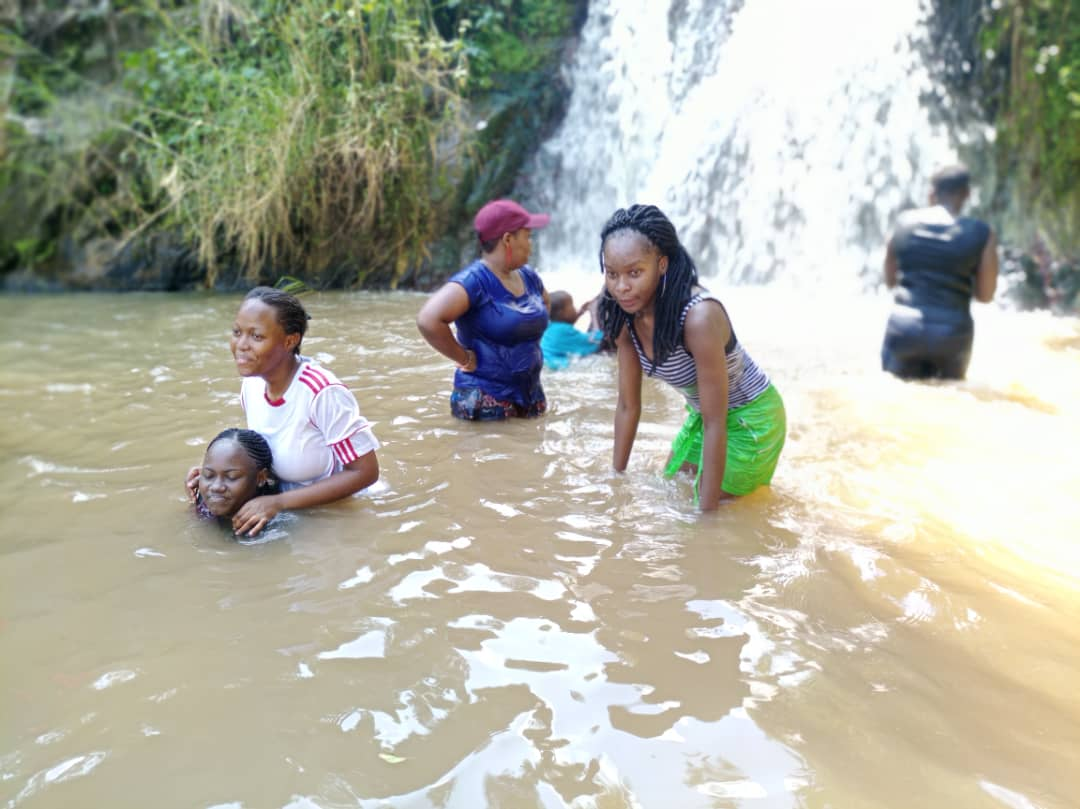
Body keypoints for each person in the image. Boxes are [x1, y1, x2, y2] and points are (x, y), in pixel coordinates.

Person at [598, 204, 786, 511]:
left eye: (634, 273)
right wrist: (615, 481)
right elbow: (627, 405)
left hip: (752, 419)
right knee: (669, 489)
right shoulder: (623, 312)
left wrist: (706, 522)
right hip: (704, 418)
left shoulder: (698, 317)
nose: (622, 287)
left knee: (704, 509)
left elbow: (717, 422)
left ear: (662, 264)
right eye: (612, 274)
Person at [186, 287, 380, 536]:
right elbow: (261, 451)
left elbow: (366, 473)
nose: (241, 345)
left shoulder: (321, 392)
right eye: (237, 333)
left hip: (333, 514)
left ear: (290, 341)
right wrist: (212, 477)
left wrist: (279, 503)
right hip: (282, 506)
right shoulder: (252, 383)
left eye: (256, 337)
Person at [416, 199, 551, 420]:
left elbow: (546, 303)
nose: (531, 244)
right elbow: (427, 319)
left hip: (530, 395)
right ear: (508, 239)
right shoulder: (473, 282)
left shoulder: (528, 276)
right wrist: (464, 357)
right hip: (485, 401)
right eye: (527, 236)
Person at [881, 164, 999, 380]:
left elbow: (890, 281)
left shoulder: (902, 223)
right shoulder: (982, 233)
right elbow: (985, 295)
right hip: (952, 334)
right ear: (967, 194)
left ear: (931, 193)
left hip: (904, 329)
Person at [194, 428, 280, 532]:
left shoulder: (277, 523)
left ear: (261, 478)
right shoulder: (202, 503)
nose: (216, 487)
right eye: (208, 475)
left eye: (231, 477)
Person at [541, 289, 605, 369]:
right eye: (572, 306)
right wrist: (594, 314)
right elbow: (595, 340)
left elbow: (567, 324)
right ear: (561, 313)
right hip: (557, 366)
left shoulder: (550, 326)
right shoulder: (563, 330)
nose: (575, 309)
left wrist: (581, 312)